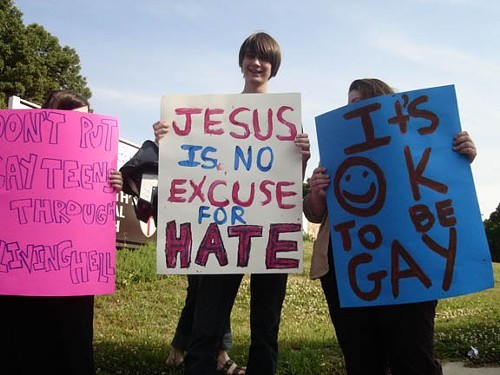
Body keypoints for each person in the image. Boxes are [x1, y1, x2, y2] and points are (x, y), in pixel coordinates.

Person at [153, 32, 310, 375]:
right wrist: (167, 139)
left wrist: (303, 157)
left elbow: (290, 179)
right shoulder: (214, 113)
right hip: (222, 231)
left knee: (266, 325)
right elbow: (187, 161)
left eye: (264, 58)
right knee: (208, 320)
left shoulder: (285, 119)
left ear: (274, 66)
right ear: (241, 62)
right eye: (251, 56)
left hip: (271, 234)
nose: (256, 63)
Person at [304, 78, 477, 375]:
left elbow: (439, 186)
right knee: (361, 359)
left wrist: (460, 157)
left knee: (413, 357)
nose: (349, 110)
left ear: (380, 105)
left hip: (409, 268)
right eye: (348, 104)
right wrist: (317, 193)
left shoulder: (420, 141)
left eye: (358, 103)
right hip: (349, 270)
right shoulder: (337, 151)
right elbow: (313, 213)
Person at [0, 89, 123, 375]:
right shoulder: (16, 147)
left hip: (71, 275)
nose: (86, 127)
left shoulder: (93, 161)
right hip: (24, 272)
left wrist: (111, 183)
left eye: (88, 120)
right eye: (78, 121)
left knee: (71, 342)